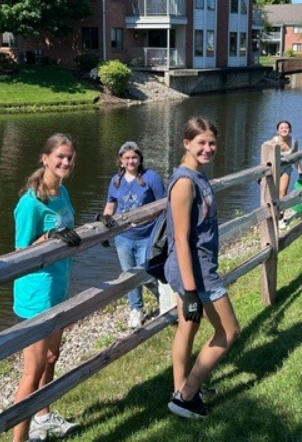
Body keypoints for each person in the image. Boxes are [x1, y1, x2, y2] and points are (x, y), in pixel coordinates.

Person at [164, 117, 241, 419]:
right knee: (229, 331)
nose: (208, 148)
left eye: (212, 143)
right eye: (201, 143)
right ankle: (186, 396)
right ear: (186, 143)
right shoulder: (184, 183)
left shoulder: (198, 175)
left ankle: (181, 389)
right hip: (196, 271)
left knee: (188, 326)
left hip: (197, 267)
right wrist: (191, 292)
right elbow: (181, 239)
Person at [12, 133, 82, 442]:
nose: (66, 162)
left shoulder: (62, 192)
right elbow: (19, 253)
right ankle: (19, 439)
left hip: (58, 288)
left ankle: (43, 417)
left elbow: (68, 230)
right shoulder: (31, 203)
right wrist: (49, 237)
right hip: (36, 295)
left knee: (52, 357)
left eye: (70, 157)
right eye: (60, 157)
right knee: (33, 370)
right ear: (45, 158)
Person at [99, 141, 166, 329]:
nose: (130, 161)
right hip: (123, 237)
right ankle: (136, 309)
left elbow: (164, 205)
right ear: (121, 160)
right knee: (129, 275)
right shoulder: (116, 181)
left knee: (148, 273)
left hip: (147, 235)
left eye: (134, 157)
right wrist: (104, 226)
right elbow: (111, 205)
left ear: (140, 159)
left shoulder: (151, 177)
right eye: (126, 158)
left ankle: (165, 300)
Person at [271, 120, 302, 229]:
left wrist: (300, 173)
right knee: (271, 195)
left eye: (286, 127)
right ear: (277, 131)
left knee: (283, 192)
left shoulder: (294, 142)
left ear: (290, 130)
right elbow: (266, 158)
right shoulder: (273, 142)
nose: (284, 129)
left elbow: (296, 158)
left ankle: (281, 218)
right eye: (281, 128)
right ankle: (270, 218)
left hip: (286, 168)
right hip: (273, 170)